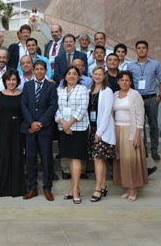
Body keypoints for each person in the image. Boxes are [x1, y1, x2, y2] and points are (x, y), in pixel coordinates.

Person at [21, 60, 58, 201]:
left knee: (47, 159)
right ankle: (32, 188)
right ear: (33, 70)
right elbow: (23, 105)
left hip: (45, 129)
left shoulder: (51, 86)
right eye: (36, 69)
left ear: (46, 70)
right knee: (30, 160)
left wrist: (41, 123)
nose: (39, 71)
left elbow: (52, 106)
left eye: (42, 69)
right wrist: (32, 122)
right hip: (30, 129)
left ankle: (47, 188)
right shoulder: (27, 85)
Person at [113, 71, 149, 202]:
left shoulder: (135, 95)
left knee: (130, 161)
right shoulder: (115, 94)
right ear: (118, 81)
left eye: (127, 80)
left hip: (130, 131)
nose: (124, 82)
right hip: (117, 130)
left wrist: (137, 136)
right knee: (121, 161)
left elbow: (140, 117)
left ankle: (133, 189)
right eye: (121, 80)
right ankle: (128, 188)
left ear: (131, 82)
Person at [127, 40, 161, 160]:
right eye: (139, 48)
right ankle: (143, 149)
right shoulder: (130, 65)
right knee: (140, 125)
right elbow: (128, 82)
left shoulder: (155, 64)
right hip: (137, 99)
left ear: (147, 50)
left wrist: (159, 97)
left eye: (144, 48)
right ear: (136, 50)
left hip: (151, 98)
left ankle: (154, 149)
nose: (141, 50)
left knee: (153, 125)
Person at [56, 66, 89, 204]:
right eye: (69, 73)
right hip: (63, 128)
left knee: (76, 158)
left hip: (79, 128)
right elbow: (55, 108)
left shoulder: (83, 89)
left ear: (79, 76)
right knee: (70, 158)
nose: (71, 76)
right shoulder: (59, 90)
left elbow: (83, 108)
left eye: (74, 74)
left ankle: (75, 190)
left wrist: (69, 124)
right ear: (65, 76)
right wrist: (64, 123)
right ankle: (73, 189)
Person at [87, 66, 116, 202]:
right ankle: (104, 185)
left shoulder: (107, 91)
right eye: (95, 74)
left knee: (97, 158)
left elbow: (107, 112)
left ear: (104, 76)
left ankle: (98, 188)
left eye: (100, 74)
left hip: (101, 130)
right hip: (92, 128)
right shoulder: (90, 90)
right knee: (101, 159)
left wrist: (100, 131)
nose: (97, 76)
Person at [0, 70, 25, 197]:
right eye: (9, 80)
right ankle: (5, 189)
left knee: (18, 157)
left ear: (17, 81)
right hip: (4, 129)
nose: (11, 82)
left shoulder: (22, 95)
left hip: (18, 129)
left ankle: (18, 189)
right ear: (5, 81)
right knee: (5, 158)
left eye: (14, 79)